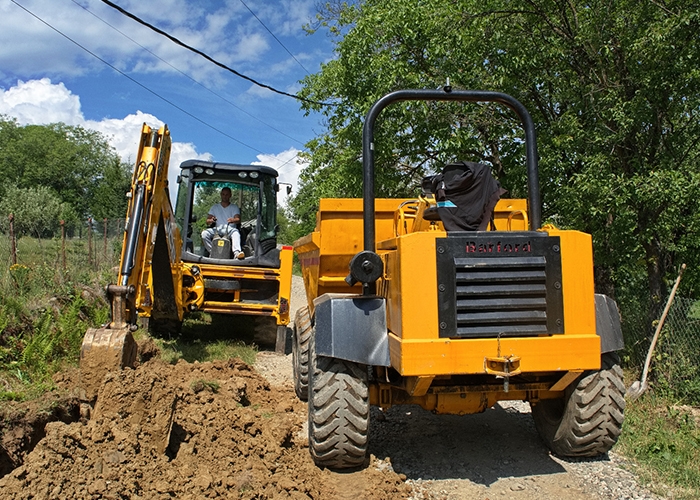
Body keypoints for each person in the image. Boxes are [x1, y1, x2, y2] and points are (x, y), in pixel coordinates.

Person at [201, 187, 245, 259]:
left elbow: (238, 219)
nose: (225, 196)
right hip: (217, 229)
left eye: (227, 194)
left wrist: (233, 220)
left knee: (236, 233)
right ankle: (212, 251)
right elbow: (207, 221)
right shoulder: (215, 207)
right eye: (223, 194)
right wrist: (211, 220)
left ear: (230, 195)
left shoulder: (234, 207)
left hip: (230, 229)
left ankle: (237, 253)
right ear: (221, 195)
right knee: (204, 234)